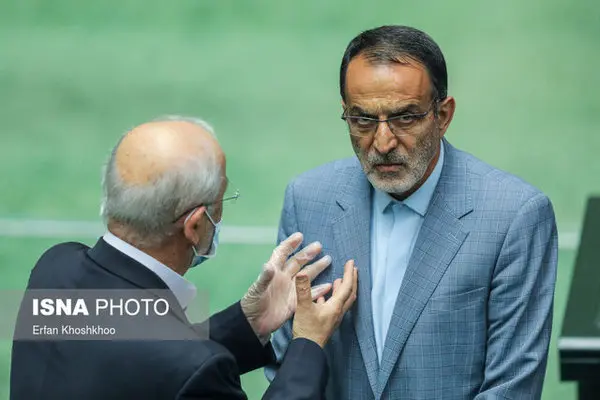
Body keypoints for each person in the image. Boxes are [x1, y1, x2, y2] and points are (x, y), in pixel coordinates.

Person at [267, 25, 558, 399]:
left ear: (443, 115)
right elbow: (287, 364)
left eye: (405, 118)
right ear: (346, 113)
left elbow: (511, 389)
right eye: (363, 120)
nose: (383, 142)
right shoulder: (307, 200)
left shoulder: (514, 216)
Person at [10, 116, 358, 400]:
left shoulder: (54, 268)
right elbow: (174, 367)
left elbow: (132, 364)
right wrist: (307, 342)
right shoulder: (197, 372)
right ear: (194, 225)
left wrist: (247, 322)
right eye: (222, 200)